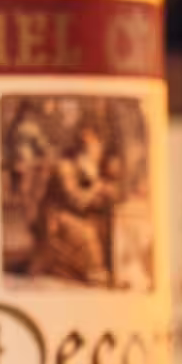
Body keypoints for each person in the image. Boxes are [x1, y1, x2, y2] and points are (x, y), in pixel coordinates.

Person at [28, 122, 119, 287]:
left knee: (107, 226)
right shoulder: (65, 166)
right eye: (90, 146)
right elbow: (76, 201)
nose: (95, 151)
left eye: (96, 145)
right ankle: (93, 274)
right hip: (54, 217)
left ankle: (104, 271)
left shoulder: (86, 167)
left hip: (72, 213)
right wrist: (97, 187)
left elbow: (92, 197)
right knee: (87, 233)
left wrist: (105, 192)